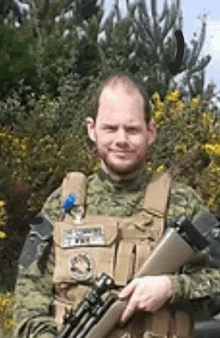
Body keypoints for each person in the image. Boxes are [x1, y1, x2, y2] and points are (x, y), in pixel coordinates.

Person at [13, 73, 220, 338]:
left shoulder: (184, 203)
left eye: (132, 129)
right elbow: (28, 295)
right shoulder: (60, 204)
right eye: (110, 128)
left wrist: (172, 287)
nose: (121, 139)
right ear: (91, 129)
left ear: (151, 132)